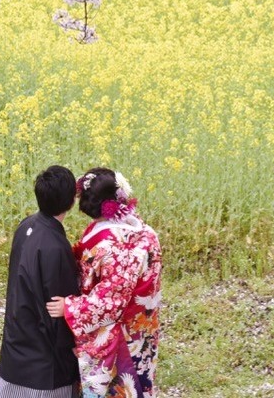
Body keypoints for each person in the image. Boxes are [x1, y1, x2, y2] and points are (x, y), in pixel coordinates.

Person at [45, 168, 161, 398]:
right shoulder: (144, 230)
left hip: (120, 333)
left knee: (120, 387)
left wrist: (70, 307)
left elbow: (110, 301)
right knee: (139, 379)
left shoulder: (110, 245)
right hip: (141, 324)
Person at [0, 165, 82, 398]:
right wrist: (75, 347)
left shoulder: (26, 226)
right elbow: (58, 306)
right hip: (44, 368)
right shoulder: (56, 247)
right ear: (71, 202)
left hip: (16, 345)